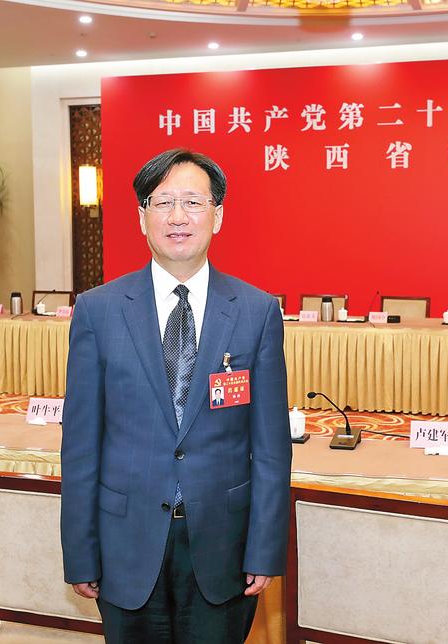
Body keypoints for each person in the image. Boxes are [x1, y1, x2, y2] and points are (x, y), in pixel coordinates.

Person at [61, 148, 292, 643]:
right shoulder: (98, 311)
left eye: (192, 202)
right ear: (141, 217)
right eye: (163, 202)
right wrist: (81, 552)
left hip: (224, 546)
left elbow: (272, 450)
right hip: (125, 545)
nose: (178, 216)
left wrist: (265, 548)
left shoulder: (256, 312)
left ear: (217, 216)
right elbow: (80, 446)